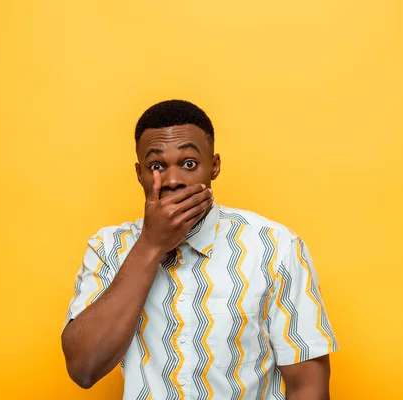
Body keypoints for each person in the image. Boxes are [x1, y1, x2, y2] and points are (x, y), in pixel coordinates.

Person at [61, 100, 339, 400]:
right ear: (139, 174)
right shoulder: (108, 248)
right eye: (156, 167)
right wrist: (150, 246)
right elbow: (83, 369)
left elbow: (307, 385)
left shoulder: (275, 246)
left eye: (189, 163)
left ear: (214, 166)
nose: (173, 181)